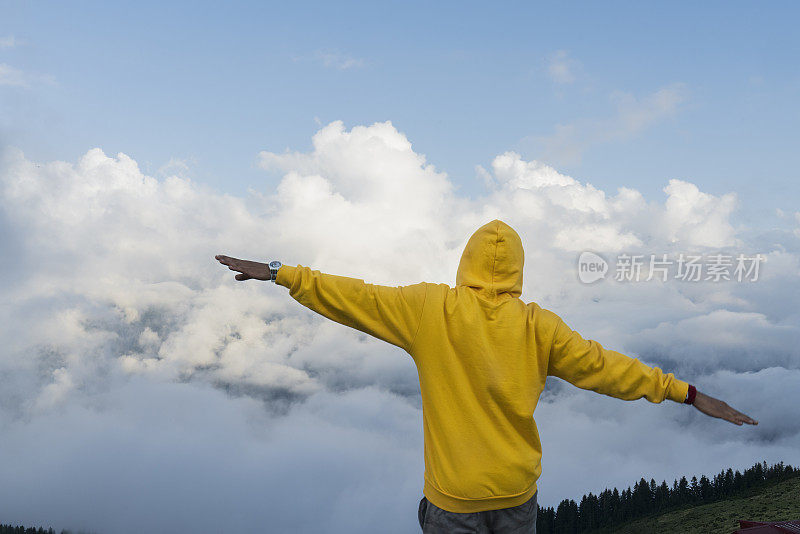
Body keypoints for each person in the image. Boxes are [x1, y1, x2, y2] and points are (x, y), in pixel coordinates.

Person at [215, 219, 758, 534]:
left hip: (453, 503)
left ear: (466, 262)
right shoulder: (538, 326)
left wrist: (280, 272)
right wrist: (684, 393)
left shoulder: (429, 310)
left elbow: (352, 297)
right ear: (517, 269)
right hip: (517, 497)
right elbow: (605, 367)